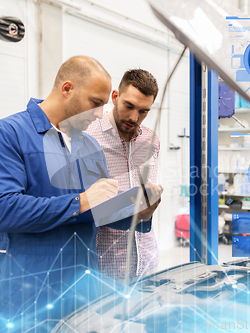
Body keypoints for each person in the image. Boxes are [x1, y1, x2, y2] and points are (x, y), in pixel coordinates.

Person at [0, 56, 152, 333]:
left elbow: (99, 212)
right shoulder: (8, 134)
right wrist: (81, 201)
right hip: (30, 298)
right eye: (95, 103)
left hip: (83, 296)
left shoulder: (89, 145)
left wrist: (137, 212)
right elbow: (2, 210)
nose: (98, 114)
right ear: (67, 89)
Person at [86, 69, 163, 280]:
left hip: (147, 264)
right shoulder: (88, 137)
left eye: (143, 111)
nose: (134, 117)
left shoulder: (152, 140)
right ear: (114, 97)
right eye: (128, 106)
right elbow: (82, 206)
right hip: (104, 269)